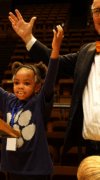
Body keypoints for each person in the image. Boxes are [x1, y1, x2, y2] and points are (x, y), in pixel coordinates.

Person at [0, 25, 64, 180]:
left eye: (26, 83)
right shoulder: (7, 99)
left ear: (37, 87)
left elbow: (50, 79)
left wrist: (55, 51)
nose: (20, 87)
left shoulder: (39, 102)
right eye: (16, 82)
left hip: (36, 168)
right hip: (14, 166)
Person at [8, 0, 100, 157]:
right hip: (91, 149)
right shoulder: (87, 51)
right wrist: (28, 38)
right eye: (97, 11)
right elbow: (56, 63)